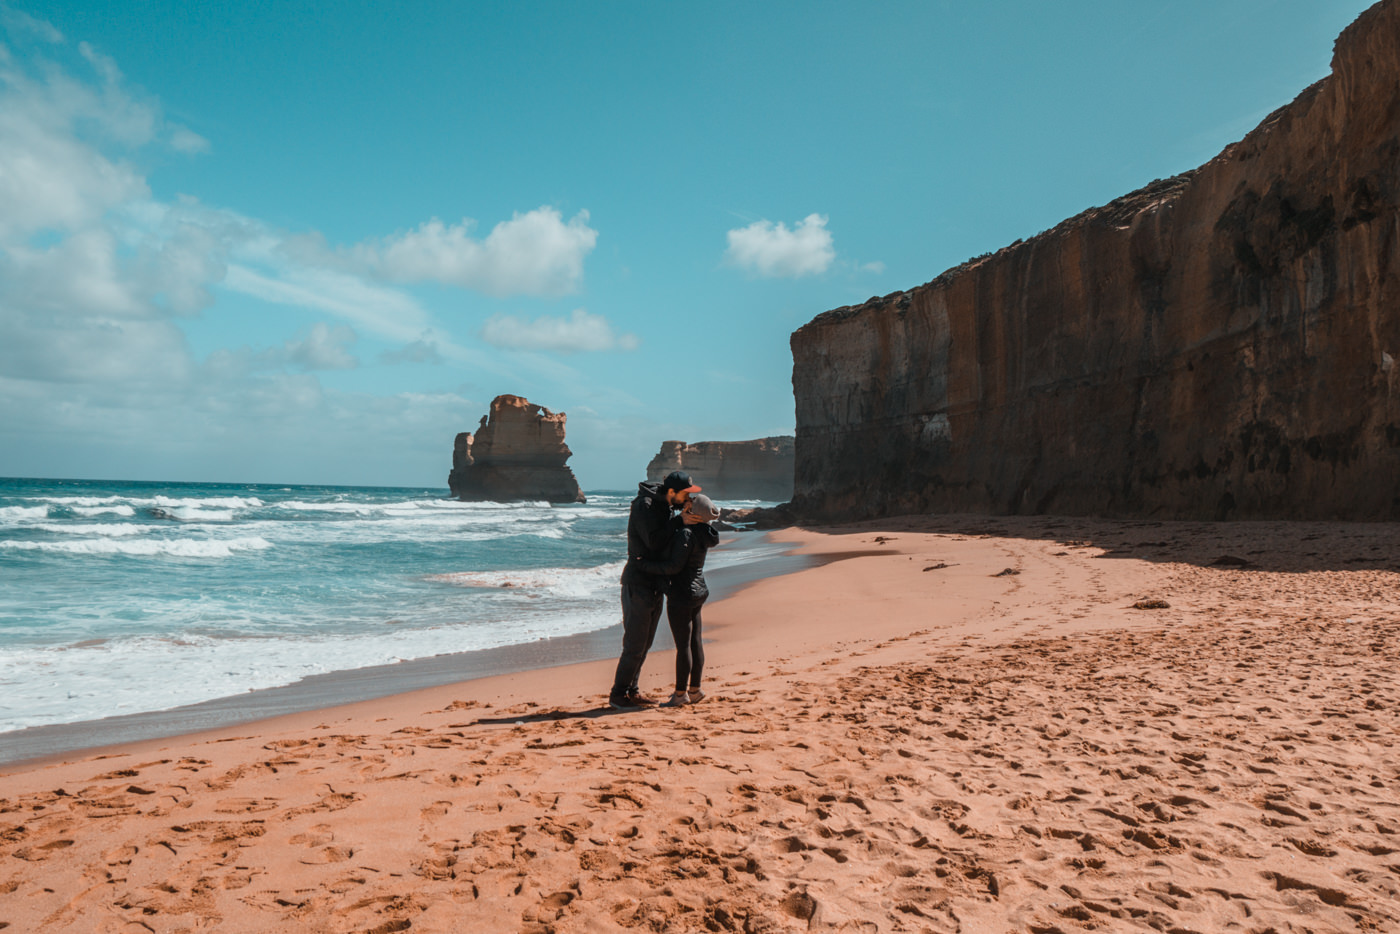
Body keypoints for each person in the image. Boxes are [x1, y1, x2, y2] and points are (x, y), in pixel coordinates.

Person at [609, 470, 700, 710]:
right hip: (638, 582)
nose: (686, 500)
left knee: (646, 642)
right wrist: (680, 522)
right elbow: (654, 542)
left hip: (655, 581)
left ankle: (633, 691)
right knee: (635, 644)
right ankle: (618, 695)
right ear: (672, 492)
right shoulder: (645, 506)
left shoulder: (666, 506)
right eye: (685, 494)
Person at [635, 492, 721, 707]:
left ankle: (680, 694)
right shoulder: (704, 531)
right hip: (699, 591)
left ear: (694, 510)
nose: (685, 503)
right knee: (695, 642)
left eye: (690, 503)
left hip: (682, 594)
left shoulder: (685, 533)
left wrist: (643, 565)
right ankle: (695, 690)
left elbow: (674, 567)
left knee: (683, 645)